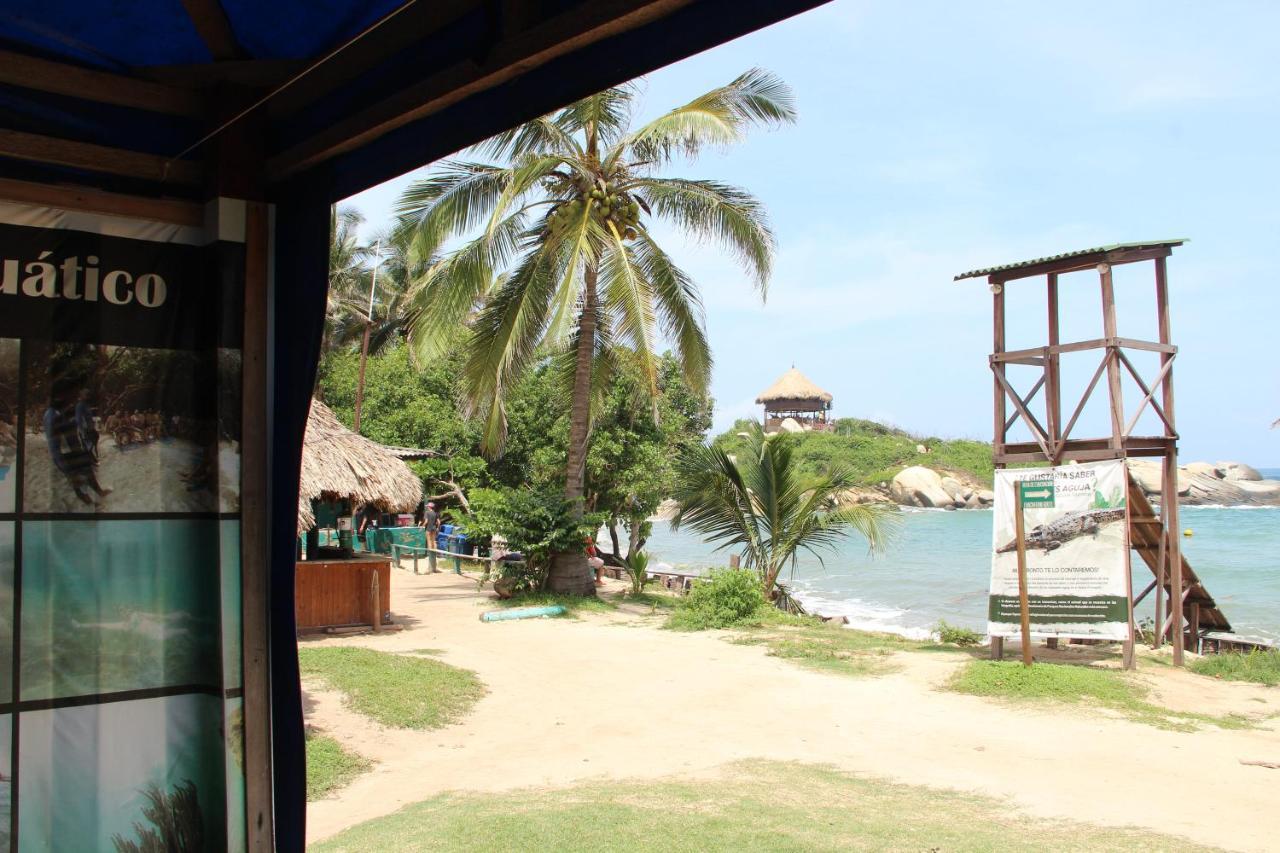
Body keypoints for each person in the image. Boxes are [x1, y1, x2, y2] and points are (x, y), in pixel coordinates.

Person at [44, 385, 111, 506]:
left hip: (73, 450)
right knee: (76, 482)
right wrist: (62, 462)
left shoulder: (62, 413)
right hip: (63, 454)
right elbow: (54, 443)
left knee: (88, 471)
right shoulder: (51, 416)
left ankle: (99, 492)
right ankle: (90, 503)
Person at [419, 500, 440, 572]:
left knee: (429, 541)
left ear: (429, 507)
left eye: (427, 506)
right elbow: (439, 522)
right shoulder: (435, 513)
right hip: (434, 528)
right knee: (433, 541)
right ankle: (435, 552)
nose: (427, 507)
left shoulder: (427, 513)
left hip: (428, 529)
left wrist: (422, 526)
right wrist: (437, 527)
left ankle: (430, 554)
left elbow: (426, 521)